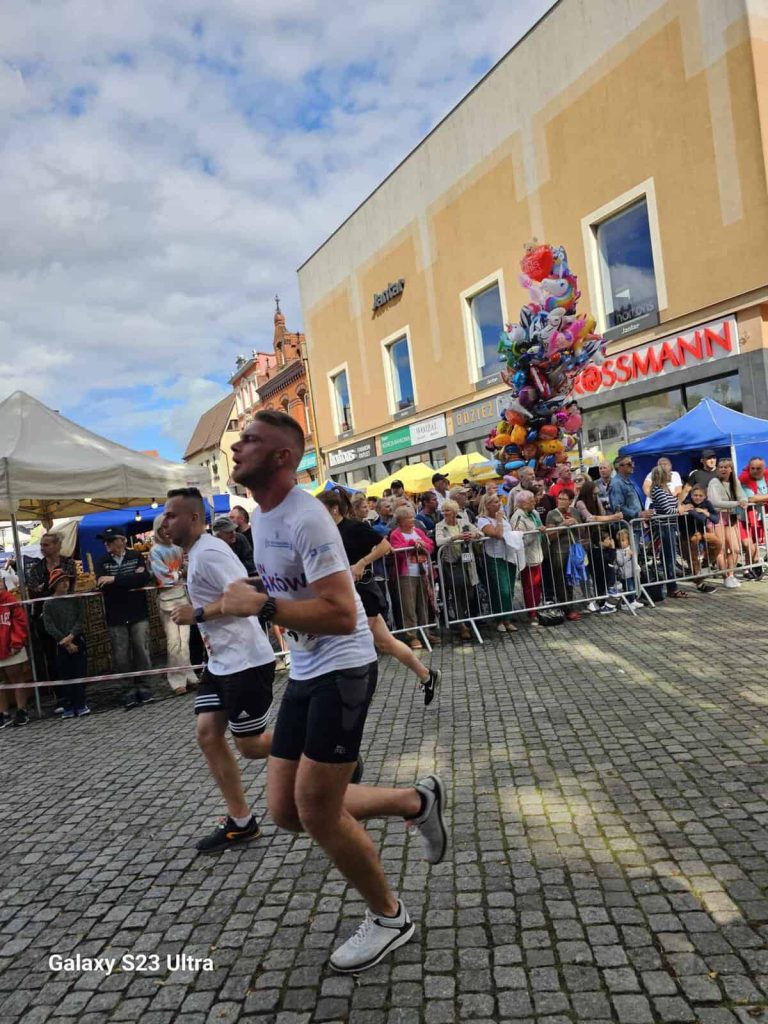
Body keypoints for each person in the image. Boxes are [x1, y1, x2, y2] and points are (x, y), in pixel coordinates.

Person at [221, 410, 448, 974]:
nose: (237, 448)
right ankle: (415, 801)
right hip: (304, 670)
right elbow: (293, 586)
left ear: (282, 457)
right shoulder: (262, 517)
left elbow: (344, 615)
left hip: (342, 670)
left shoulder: (307, 518)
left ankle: (390, 917)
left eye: (250, 440)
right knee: (285, 810)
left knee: (318, 813)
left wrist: (263, 605)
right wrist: (251, 590)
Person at [163, 487, 276, 853]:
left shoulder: (210, 552)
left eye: (171, 515)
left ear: (194, 518)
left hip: (245, 661)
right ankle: (241, 821)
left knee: (251, 746)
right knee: (208, 734)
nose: (165, 523)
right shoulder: (196, 552)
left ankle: (316, 742)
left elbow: (246, 598)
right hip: (220, 662)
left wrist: (197, 613)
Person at [318, 490, 440, 705]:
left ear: (334, 509)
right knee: (386, 643)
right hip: (345, 593)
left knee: (350, 642)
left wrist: (362, 563)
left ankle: (350, 694)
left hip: (364, 593)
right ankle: (427, 675)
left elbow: (385, 546)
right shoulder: (326, 533)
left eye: (321, 509)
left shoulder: (354, 528)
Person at [94, 526, 155, 709]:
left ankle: (144, 686)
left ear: (121, 540)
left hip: (137, 611)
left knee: (141, 649)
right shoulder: (102, 561)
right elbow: (101, 584)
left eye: (110, 540)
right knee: (120, 654)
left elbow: (143, 578)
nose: (106, 544)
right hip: (116, 613)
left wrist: (114, 580)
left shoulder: (135, 556)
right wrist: (128, 578)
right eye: (105, 541)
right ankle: (127, 689)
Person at [149, 515, 198, 695]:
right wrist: (180, 573)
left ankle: (189, 675)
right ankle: (176, 679)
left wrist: (181, 572)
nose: (167, 531)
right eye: (163, 528)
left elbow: (187, 567)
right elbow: (162, 576)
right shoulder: (155, 551)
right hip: (167, 599)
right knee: (173, 642)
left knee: (184, 641)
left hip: (182, 597)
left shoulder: (178, 547)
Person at [389, 505, 439, 650]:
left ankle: (425, 632)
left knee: (423, 604)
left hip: (422, 572)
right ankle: (412, 636)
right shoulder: (395, 534)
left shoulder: (418, 531)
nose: (413, 520)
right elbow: (398, 551)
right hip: (406, 574)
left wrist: (423, 545)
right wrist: (412, 544)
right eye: (409, 518)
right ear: (401, 521)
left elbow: (430, 545)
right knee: (408, 606)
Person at [41, 568, 89, 718]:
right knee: (65, 674)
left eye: (66, 580)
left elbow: (81, 618)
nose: (65, 584)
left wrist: (72, 635)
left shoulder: (75, 599)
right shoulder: (48, 604)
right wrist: (65, 641)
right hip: (61, 643)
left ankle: (80, 703)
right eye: (61, 581)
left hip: (77, 639)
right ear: (54, 584)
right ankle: (68, 705)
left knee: (79, 672)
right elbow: (49, 625)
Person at [435, 500, 483, 641]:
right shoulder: (440, 525)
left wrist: (473, 535)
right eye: (443, 510)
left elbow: (480, 532)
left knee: (469, 593)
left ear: (455, 512)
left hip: (467, 563)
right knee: (456, 593)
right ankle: (461, 624)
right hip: (452, 564)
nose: (444, 513)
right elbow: (439, 541)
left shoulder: (464, 523)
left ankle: (464, 618)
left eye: (447, 510)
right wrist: (455, 537)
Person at [575, 479, 623, 612]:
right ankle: (589, 600)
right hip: (583, 543)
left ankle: (601, 599)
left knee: (599, 572)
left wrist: (606, 517)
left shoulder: (596, 501)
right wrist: (613, 517)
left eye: (597, 494)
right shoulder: (580, 503)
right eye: (594, 494)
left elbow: (601, 515)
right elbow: (590, 518)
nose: (596, 496)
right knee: (586, 573)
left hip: (596, 542)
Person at [708, 458, 755, 587]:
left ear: (731, 469)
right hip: (717, 517)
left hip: (731, 517)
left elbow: (742, 496)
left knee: (735, 548)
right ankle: (725, 577)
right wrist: (736, 503)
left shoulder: (735, 481)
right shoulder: (714, 482)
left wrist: (743, 501)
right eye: (721, 467)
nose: (723, 469)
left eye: (725, 467)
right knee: (721, 549)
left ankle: (731, 575)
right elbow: (715, 502)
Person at [476, 492, 518, 634]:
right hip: (494, 557)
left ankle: (507, 618)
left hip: (508, 555)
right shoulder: (483, 520)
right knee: (501, 589)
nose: (499, 504)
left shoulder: (504, 517)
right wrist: (499, 519)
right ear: (487, 505)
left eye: (498, 501)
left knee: (510, 589)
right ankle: (499, 619)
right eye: (495, 502)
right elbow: (497, 534)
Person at [648, 465, 689, 599]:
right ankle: (672, 587)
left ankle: (672, 586)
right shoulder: (658, 491)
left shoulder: (664, 489)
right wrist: (679, 510)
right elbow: (667, 510)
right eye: (668, 473)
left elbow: (673, 504)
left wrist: (680, 506)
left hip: (669, 525)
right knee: (669, 558)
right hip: (664, 526)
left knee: (670, 557)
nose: (671, 475)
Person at [544, 490, 584, 620]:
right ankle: (567, 608)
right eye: (559, 498)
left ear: (570, 501)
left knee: (569, 579)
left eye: (564, 499)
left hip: (572, 550)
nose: (560, 501)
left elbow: (583, 531)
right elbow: (550, 536)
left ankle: (569, 604)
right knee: (560, 580)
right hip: (558, 551)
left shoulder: (575, 512)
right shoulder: (552, 514)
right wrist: (562, 525)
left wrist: (576, 523)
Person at [508, 490, 546, 626]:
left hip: (537, 553)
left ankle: (537, 608)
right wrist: (536, 532)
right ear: (523, 504)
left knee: (537, 584)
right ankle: (532, 613)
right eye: (531, 501)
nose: (534, 502)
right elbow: (520, 540)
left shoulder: (534, 513)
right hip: (527, 557)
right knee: (530, 585)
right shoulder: (517, 517)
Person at [0, 578, 31, 728]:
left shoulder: (9, 600)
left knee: (16, 678)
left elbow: (20, 621)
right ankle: (3, 713)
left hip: (11, 645)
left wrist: (17, 642)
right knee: (1, 682)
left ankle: (22, 710)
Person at [678, 486, 721, 592]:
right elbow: (700, 518)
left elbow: (716, 519)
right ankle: (700, 584)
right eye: (695, 495)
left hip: (702, 532)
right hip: (687, 534)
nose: (697, 498)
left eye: (700, 495)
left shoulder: (707, 503)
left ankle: (706, 563)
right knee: (693, 558)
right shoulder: (687, 502)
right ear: (691, 495)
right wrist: (698, 512)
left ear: (705, 496)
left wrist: (705, 512)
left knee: (717, 542)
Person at [609, 456, 653, 525]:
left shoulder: (628, 481)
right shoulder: (616, 483)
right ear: (620, 467)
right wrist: (638, 514)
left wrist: (643, 513)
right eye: (629, 464)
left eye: (632, 463)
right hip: (627, 527)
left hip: (635, 525)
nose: (633, 466)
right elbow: (618, 508)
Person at [615, 529, 642, 609]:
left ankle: (632, 600)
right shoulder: (618, 551)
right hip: (625, 574)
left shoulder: (631, 548)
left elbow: (635, 560)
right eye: (619, 541)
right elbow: (620, 562)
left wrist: (637, 567)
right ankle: (625, 603)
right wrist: (627, 556)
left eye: (623, 540)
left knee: (633, 587)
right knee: (629, 588)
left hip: (632, 572)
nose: (621, 542)